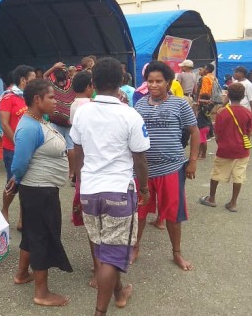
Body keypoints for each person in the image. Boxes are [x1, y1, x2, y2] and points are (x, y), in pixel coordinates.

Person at [71, 57, 150, 315]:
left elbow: (77, 152)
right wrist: (145, 188)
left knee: (102, 247)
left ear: (92, 83)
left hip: (89, 190)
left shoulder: (82, 112)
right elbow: (140, 157)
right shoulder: (130, 115)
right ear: (122, 83)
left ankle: (119, 292)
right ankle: (100, 312)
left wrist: (80, 181)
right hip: (118, 189)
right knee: (112, 255)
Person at [7, 78, 73, 307]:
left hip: (41, 190)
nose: (56, 101)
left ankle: (22, 274)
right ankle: (41, 293)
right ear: (37, 100)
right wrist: (16, 181)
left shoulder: (39, 121)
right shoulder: (28, 127)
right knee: (41, 236)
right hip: (38, 191)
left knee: (32, 233)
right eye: (52, 97)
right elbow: (18, 164)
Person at [133, 61, 199, 271]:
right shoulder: (140, 105)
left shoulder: (180, 104)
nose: (153, 85)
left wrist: (193, 161)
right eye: (150, 81)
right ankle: (135, 248)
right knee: (139, 211)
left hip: (172, 168)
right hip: (144, 170)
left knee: (173, 214)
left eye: (158, 81)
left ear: (168, 82)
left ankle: (177, 253)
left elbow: (194, 132)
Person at [199, 83, 252, 212]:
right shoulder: (247, 113)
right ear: (243, 96)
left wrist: (222, 143)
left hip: (224, 149)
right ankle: (233, 203)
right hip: (242, 150)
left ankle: (211, 198)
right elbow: (249, 132)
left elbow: (217, 133)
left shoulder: (222, 113)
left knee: (217, 173)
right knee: (238, 176)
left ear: (228, 95)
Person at [0, 65, 36, 229]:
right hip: (12, 149)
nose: (35, 82)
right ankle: (5, 210)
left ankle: (23, 219)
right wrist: (19, 143)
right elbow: (5, 125)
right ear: (23, 80)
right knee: (13, 182)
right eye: (32, 79)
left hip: (30, 149)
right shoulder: (8, 98)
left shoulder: (30, 98)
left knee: (28, 185)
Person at [44, 62, 76, 182]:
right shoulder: (72, 84)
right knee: (70, 147)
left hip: (56, 121)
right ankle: (72, 172)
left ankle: (56, 170)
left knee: (54, 147)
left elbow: (44, 77)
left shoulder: (52, 86)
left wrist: (53, 67)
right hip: (70, 122)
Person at [69, 71, 93, 227]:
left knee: (80, 182)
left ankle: (77, 213)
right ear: (88, 87)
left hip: (77, 145)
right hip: (89, 147)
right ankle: (86, 211)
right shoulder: (90, 104)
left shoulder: (73, 104)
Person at [196, 93, 215, 160]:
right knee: (201, 141)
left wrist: (203, 102)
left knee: (203, 141)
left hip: (203, 125)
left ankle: (203, 155)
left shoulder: (205, 106)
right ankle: (199, 153)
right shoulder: (209, 106)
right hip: (205, 125)